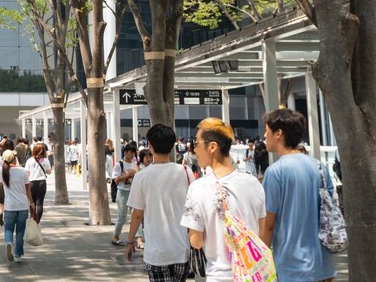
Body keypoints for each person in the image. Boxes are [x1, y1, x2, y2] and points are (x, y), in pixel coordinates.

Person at [182, 118, 266, 282]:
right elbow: (261, 234)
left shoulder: (198, 188)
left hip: (219, 276)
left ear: (212, 146)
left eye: (196, 143)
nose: (194, 149)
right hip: (254, 274)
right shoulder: (254, 183)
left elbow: (196, 241)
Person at [260, 109, 335, 282]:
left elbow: (269, 225)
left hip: (293, 266)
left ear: (278, 133)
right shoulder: (319, 167)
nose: (264, 135)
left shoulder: (275, 172)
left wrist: (261, 262)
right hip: (324, 265)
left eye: (267, 130)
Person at [125, 124, 192, 282]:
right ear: (172, 144)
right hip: (182, 250)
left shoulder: (142, 176)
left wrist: (130, 241)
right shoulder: (185, 172)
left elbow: (137, 215)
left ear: (149, 145)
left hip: (156, 253)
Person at [0, 149, 33, 263]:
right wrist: (32, 203)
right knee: (20, 231)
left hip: (9, 206)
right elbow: (28, 189)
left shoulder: (2, 172)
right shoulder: (22, 171)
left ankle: (9, 242)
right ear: (14, 158)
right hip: (23, 205)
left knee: (8, 228)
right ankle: (18, 255)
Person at [111, 144, 138, 246]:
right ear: (125, 152)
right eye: (130, 152)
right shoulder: (119, 164)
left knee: (135, 215)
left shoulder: (135, 164)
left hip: (133, 192)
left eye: (133, 152)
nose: (132, 155)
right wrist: (128, 175)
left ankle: (138, 238)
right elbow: (116, 179)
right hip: (122, 192)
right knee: (122, 216)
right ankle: (116, 236)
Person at [24, 142, 51, 224]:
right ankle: (37, 221)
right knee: (39, 203)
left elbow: (27, 173)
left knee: (32, 203)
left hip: (31, 183)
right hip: (42, 183)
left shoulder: (29, 160)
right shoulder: (46, 160)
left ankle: (32, 218)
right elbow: (49, 172)